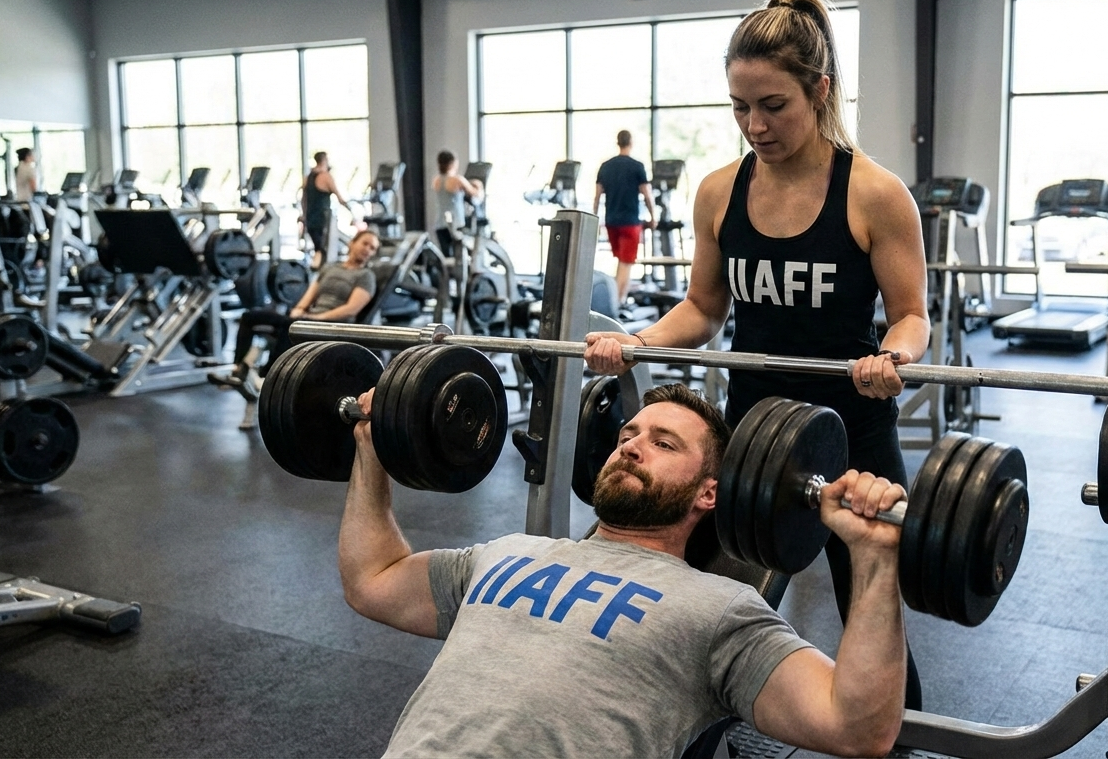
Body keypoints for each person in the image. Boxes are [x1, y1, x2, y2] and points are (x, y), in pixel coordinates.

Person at [583, 0, 928, 703]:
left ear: (819, 90)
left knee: (868, 606)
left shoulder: (874, 193)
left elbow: (911, 316)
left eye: (773, 106)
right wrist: (636, 340)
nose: (755, 126)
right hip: (750, 429)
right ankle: (691, 723)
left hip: (853, 433)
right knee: (701, 588)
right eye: (740, 107)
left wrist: (890, 359)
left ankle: (896, 737)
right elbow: (704, 309)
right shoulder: (720, 191)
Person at [342, 382, 908, 757]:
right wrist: (371, 448)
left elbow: (856, 726)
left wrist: (874, 556)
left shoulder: (717, 608)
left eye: (664, 444)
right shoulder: (509, 552)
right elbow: (374, 580)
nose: (631, 448)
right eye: (627, 436)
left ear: (709, 492)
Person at [209, 229, 379, 400]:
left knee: (291, 326)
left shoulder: (366, 276)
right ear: (352, 243)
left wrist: (317, 318)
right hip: (310, 317)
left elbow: (351, 309)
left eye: (372, 248)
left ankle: (268, 376)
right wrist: (300, 309)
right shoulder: (330, 268)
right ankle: (238, 371)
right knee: (250, 317)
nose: (367, 249)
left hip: (334, 324)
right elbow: (311, 293)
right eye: (365, 243)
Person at [593, 130, 658, 302]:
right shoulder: (637, 166)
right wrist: (653, 217)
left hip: (611, 222)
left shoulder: (606, 166)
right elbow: (647, 195)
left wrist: (594, 220)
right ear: (631, 143)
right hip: (630, 222)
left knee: (622, 262)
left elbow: (597, 196)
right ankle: (617, 302)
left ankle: (618, 300)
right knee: (626, 263)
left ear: (618, 142)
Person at [303, 151, 352, 270]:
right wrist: (351, 210)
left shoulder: (308, 177)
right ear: (324, 160)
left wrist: (304, 215)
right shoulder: (325, 176)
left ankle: (318, 267)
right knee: (322, 248)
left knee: (319, 248)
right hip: (322, 218)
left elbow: (304, 199)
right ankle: (321, 269)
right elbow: (340, 198)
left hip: (310, 218)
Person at [431, 150, 484, 254]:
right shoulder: (457, 180)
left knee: (447, 257)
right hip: (456, 225)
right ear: (453, 163)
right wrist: (479, 185)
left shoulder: (436, 180)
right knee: (460, 255)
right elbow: (475, 194)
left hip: (440, 224)